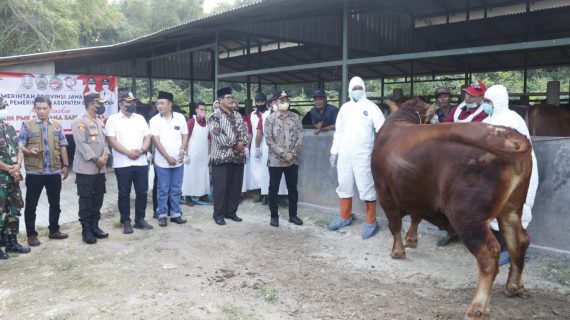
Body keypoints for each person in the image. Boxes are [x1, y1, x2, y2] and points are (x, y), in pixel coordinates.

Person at [481, 84, 539, 266]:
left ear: (497, 102)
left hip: (517, 172)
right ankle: (504, 247)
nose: (485, 104)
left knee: (515, 211)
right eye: (485, 101)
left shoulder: (512, 120)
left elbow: (513, 150)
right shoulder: (489, 118)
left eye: (488, 101)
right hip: (499, 173)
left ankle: (518, 250)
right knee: (497, 211)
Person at [328, 76, 385, 240]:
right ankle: (345, 217)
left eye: (359, 88)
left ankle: (371, 222)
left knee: (366, 187)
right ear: (349, 90)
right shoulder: (344, 109)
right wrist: (334, 151)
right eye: (354, 88)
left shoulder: (372, 107)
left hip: (364, 155)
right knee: (344, 184)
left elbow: (382, 130)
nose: (357, 91)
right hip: (345, 155)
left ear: (364, 89)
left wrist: (380, 153)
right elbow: (338, 132)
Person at [437, 81, 489, 246]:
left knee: (470, 199)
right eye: (467, 93)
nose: (467, 96)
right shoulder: (458, 108)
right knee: (448, 197)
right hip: (452, 159)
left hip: (473, 162)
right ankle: (451, 230)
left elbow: (476, 134)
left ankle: (475, 235)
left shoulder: (485, 113)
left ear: (481, 97)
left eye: (472, 94)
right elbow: (446, 124)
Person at [19, 95, 70, 247]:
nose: (42, 111)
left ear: (50, 108)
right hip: (35, 174)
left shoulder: (57, 125)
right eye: (39, 108)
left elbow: (62, 146)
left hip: (54, 172)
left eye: (45, 108)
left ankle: (54, 230)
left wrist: (66, 165)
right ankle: (31, 235)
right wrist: (28, 151)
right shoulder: (27, 125)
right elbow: (20, 146)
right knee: (31, 205)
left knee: (55, 203)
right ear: (34, 109)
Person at [106, 92, 153, 234]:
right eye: (128, 102)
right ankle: (126, 221)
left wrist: (142, 150)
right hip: (122, 163)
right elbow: (112, 141)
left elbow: (147, 136)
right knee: (124, 193)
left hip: (141, 162)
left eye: (133, 102)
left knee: (142, 193)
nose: (132, 104)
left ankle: (140, 219)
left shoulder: (140, 118)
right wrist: (128, 152)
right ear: (121, 104)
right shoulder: (113, 119)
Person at [71, 93, 111, 244]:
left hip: (100, 168)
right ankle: (86, 229)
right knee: (86, 199)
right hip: (86, 168)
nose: (100, 106)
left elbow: (105, 143)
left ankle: (95, 225)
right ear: (90, 104)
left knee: (98, 197)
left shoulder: (99, 121)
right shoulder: (79, 121)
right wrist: (96, 159)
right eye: (98, 103)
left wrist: (105, 157)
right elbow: (81, 144)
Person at [207, 87, 249, 225]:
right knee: (221, 188)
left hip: (238, 157)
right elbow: (218, 135)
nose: (232, 100)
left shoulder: (237, 115)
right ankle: (218, 214)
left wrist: (243, 143)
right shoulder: (214, 116)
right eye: (228, 97)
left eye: (232, 97)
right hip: (222, 158)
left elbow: (244, 129)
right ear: (220, 100)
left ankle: (231, 212)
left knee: (235, 187)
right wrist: (235, 145)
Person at [264, 90, 304, 227]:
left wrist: (292, 153)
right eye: (282, 100)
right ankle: (274, 216)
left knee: (292, 189)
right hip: (275, 161)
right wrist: (283, 153)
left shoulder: (295, 117)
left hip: (292, 159)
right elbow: (269, 140)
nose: (285, 102)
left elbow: (300, 136)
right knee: (273, 188)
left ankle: (293, 215)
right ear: (275, 102)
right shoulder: (270, 119)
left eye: (286, 100)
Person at [149, 91, 189, 227]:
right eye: (158, 103)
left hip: (178, 160)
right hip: (162, 162)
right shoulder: (154, 120)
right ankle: (162, 214)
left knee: (176, 188)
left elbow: (185, 135)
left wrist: (183, 150)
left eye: (162, 103)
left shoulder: (179, 118)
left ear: (170, 104)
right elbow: (156, 141)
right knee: (163, 189)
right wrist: (167, 157)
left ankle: (176, 213)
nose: (159, 106)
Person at [0, 97, 30, 259]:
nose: (3, 110)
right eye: (1, 107)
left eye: (3, 106)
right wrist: (9, 168)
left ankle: (12, 242)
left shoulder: (9, 128)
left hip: (13, 177)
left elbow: (19, 148)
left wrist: (18, 165)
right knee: (0, 212)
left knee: (14, 209)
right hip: (1, 178)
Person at [181, 101, 211, 205]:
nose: (203, 112)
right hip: (192, 154)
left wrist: (209, 154)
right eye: (201, 110)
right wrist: (186, 153)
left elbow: (208, 139)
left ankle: (202, 195)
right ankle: (188, 197)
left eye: (205, 110)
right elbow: (186, 138)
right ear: (196, 110)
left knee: (202, 174)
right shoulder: (191, 122)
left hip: (203, 155)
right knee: (190, 175)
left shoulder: (207, 123)